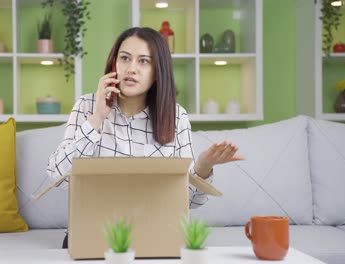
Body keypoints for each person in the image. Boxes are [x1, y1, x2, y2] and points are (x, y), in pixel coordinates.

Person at [46, 27, 244, 248]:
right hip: (92, 233)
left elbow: (189, 202)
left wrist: (203, 167)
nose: (131, 69)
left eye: (143, 61)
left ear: (158, 70)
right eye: (125, 58)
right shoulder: (87, 106)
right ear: (114, 64)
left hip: (156, 233)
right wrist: (98, 117)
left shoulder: (176, 116)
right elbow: (57, 177)